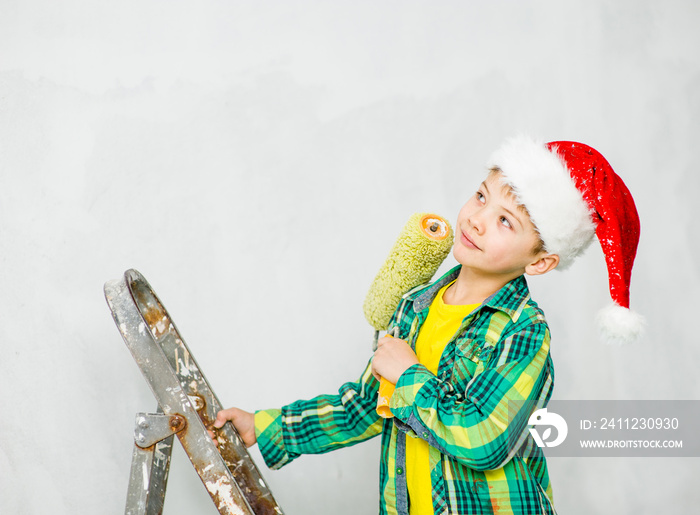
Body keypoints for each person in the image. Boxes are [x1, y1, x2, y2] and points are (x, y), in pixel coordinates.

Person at [211, 136, 642, 514]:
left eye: (505, 220)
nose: (476, 218)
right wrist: (268, 427)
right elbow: (364, 407)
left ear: (540, 261)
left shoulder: (523, 332)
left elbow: (485, 437)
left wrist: (408, 375)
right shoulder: (415, 306)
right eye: (480, 196)